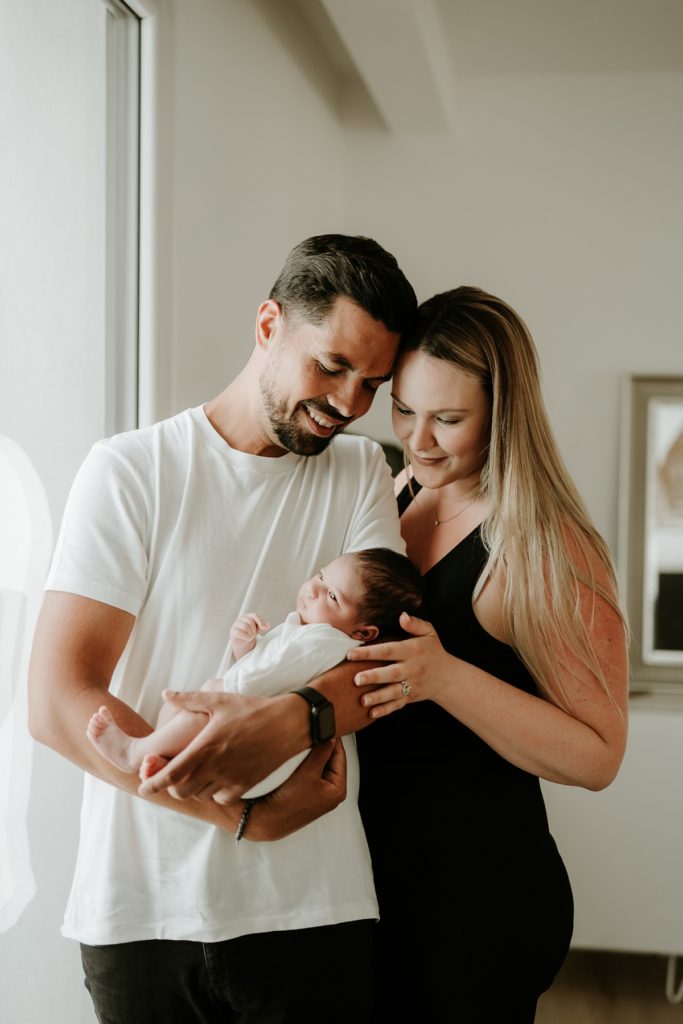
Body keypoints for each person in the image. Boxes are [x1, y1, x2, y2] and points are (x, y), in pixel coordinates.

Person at [28, 234, 417, 1024]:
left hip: (311, 907)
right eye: (332, 366)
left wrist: (291, 722)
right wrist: (242, 816)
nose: (350, 404)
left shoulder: (358, 473)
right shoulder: (132, 470)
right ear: (269, 325)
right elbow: (57, 701)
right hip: (143, 911)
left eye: (372, 384)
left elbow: (384, 663)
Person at [347, 287, 629, 1023]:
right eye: (402, 409)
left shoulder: (545, 546)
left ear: (503, 413)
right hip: (379, 884)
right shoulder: (398, 491)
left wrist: (443, 678)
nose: (418, 439)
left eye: (447, 419)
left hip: (476, 902)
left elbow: (599, 756)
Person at [86, 548, 422, 800]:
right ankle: (167, 756)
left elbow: (268, 678)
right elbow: (271, 668)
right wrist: (246, 646)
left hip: (259, 753)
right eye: (321, 576)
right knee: (178, 709)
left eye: (332, 596)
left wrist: (225, 688)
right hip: (255, 746)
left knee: (197, 706)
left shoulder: (325, 640)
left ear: (364, 632)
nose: (313, 590)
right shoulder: (307, 630)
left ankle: (133, 753)